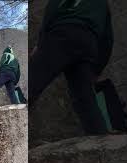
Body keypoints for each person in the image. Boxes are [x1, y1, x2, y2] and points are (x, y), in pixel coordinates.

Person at [30, 0, 114, 135]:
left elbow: (50, 14)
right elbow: (107, 39)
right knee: (85, 98)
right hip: (88, 42)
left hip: (61, 34)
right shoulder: (102, 3)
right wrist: (97, 70)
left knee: (31, 82)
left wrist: (40, 45)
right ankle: (100, 140)